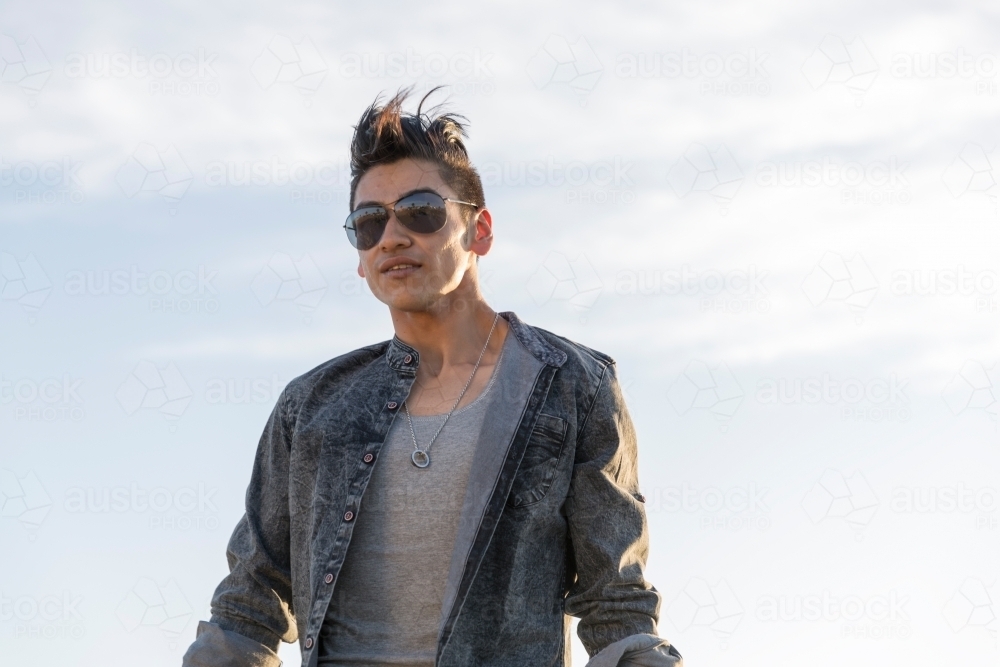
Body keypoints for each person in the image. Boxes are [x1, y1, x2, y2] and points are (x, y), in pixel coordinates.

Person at [182, 86, 682, 667]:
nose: (392, 237)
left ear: (480, 231)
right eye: (368, 223)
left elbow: (615, 602)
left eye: (421, 212)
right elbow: (250, 603)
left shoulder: (573, 385)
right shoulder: (313, 405)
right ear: (360, 253)